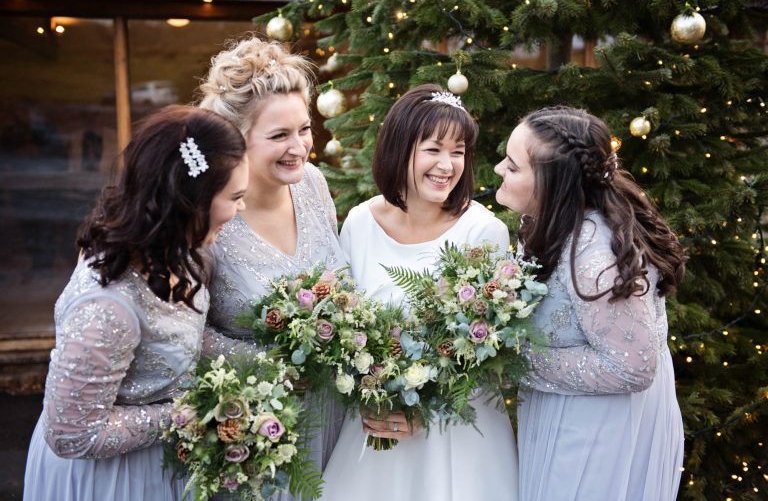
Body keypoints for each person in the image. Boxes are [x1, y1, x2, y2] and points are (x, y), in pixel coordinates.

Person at [24, 105, 250, 501]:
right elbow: (72, 435)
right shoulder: (106, 307)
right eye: (234, 197)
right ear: (190, 200)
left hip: (162, 465)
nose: (240, 209)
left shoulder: (185, 254)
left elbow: (181, 341)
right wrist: (193, 412)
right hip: (109, 480)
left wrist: (266, 364)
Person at [318, 85, 520, 501]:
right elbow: (342, 326)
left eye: (459, 151)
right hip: (377, 428)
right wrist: (371, 393)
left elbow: (491, 350)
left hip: (461, 434)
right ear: (400, 148)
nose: (448, 165)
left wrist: (427, 407)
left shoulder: (484, 232)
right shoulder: (359, 223)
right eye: (433, 149)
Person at [493, 106, 685, 500]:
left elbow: (634, 368)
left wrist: (516, 358)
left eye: (512, 167)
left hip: (597, 436)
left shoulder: (598, 261)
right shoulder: (554, 222)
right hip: (567, 414)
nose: (498, 169)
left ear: (551, 183)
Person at [197, 36, 346, 491]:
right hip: (256, 426)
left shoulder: (313, 185)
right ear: (235, 139)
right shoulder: (209, 213)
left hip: (334, 417)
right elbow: (185, 331)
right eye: (279, 135)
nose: (299, 147)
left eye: (304, 129)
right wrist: (271, 365)